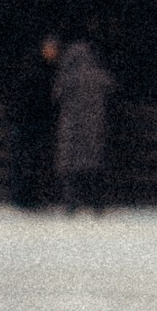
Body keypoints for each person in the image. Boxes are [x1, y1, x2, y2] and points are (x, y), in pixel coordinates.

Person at [52, 30, 115, 214]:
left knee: (70, 167)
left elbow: (56, 96)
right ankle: (97, 203)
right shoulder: (98, 74)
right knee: (93, 165)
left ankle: (71, 203)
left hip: (71, 127)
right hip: (94, 127)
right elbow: (112, 88)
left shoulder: (67, 77)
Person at [8, 34, 59, 209]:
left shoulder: (45, 69)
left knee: (33, 161)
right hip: (28, 122)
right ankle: (24, 197)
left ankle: (29, 196)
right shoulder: (37, 70)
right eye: (51, 48)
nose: (53, 52)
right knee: (26, 161)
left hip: (34, 122)